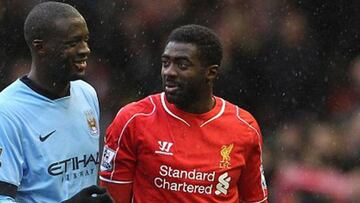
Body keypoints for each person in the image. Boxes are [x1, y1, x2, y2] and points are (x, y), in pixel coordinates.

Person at [99, 24, 268, 203]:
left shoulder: (244, 128)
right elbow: (112, 198)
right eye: (165, 63)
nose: (169, 72)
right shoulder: (133, 120)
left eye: (182, 65)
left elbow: (255, 199)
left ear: (210, 73)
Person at [0, 2, 112, 203]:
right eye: (72, 43)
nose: (85, 50)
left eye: (85, 40)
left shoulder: (87, 94)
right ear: (40, 46)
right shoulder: (7, 111)